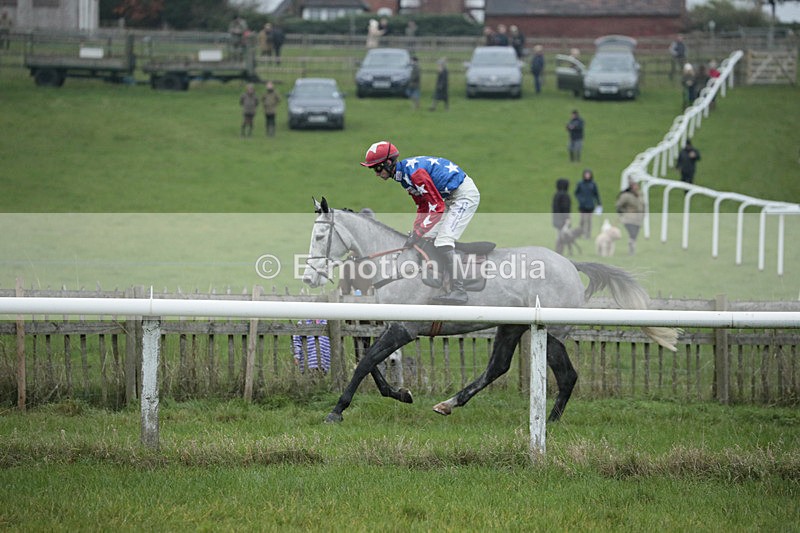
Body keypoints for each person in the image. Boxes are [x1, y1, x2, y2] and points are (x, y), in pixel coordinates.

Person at [360, 141, 481, 305]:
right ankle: (438, 277)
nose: (376, 173)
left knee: (443, 241)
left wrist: (419, 231)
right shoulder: (403, 177)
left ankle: (459, 290)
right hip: (447, 198)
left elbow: (437, 208)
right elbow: (423, 205)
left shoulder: (415, 175)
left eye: (377, 168)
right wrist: (417, 230)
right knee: (427, 237)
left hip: (463, 196)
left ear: (389, 163)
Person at [615, 180, 645, 255]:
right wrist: (622, 212)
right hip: (629, 219)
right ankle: (631, 250)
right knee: (632, 233)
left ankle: (632, 248)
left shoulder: (640, 195)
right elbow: (619, 205)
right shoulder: (626, 196)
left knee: (635, 235)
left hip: (638, 219)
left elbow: (643, 205)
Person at [575, 168, 601, 239]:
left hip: (590, 205)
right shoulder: (580, 184)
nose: (587, 176)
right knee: (582, 220)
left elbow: (596, 194)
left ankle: (588, 234)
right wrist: (580, 199)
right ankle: (580, 233)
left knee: (589, 221)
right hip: (582, 205)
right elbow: (576, 193)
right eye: (586, 174)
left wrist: (599, 203)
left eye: (588, 174)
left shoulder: (593, 184)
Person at [552, 178, 571, 254]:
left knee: (559, 235)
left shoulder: (556, 195)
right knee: (561, 236)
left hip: (556, 219)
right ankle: (558, 252)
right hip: (562, 219)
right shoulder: (565, 195)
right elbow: (565, 208)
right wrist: (567, 218)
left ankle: (558, 251)